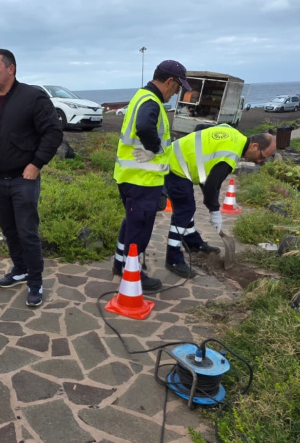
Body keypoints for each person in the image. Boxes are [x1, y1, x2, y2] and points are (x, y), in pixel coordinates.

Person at [0, 49, 63, 307]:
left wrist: (36, 164)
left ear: (11, 69)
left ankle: (35, 281)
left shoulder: (33, 97)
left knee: (27, 232)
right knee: (10, 231)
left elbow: (53, 133)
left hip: (24, 179)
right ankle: (20, 270)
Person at [112, 60, 191, 291]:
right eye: (177, 88)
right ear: (169, 82)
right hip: (142, 180)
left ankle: (121, 264)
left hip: (130, 176)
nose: (176, 94)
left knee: (131, 223)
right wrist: (156, 148)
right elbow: (145, 128)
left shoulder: (141, 96)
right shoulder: (152, 101)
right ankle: (132, 275)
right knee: (140, 230)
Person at [163, 125, 276, 277]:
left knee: (188, 207)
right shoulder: (231, 155)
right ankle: (173, 259)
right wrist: (214, 210)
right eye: (262, 156)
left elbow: (202, 132)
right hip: (175, 165)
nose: (260, 161)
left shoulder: (232, 132)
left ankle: (193, 242)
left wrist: (212, 207)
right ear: (254, 146)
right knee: (185, 210)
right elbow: (211, 186)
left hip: (179, 159)